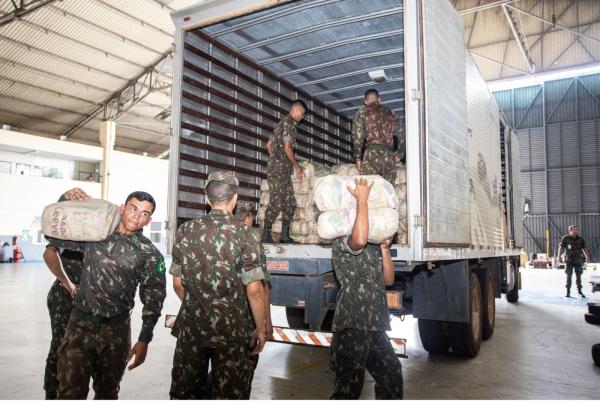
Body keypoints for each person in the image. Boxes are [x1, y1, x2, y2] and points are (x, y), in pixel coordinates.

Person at [44, 190, 167, 399]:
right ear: (122, 207)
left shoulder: (150, 254)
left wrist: (144, 340)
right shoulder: (95, 234)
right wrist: (65, 199)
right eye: (133, 208)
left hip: (116, 333)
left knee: (107, 394)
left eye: (144, 214)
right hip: (80, 327)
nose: (137, 216)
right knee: (69, 393)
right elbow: (56, 233)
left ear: (149, 220)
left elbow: (154, 298)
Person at [169, 171, 268, 400]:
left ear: (206, 199)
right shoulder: (247, 234)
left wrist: (198, 304)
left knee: (186, 393)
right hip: (232, 333)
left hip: (192, 328)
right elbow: (254, 290)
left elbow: (177, 283)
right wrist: (261, 328)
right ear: (234, 199)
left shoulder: (185, 231)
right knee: (228, 394)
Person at [329, 179, 402, 400]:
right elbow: (358, 239)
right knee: (348, 389)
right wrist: (361, 199)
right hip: (352, 325)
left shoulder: (372, 246)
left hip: (375, 326)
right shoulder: (342, 242)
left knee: (391, 374)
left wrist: (384, 249)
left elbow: (388, 280)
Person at [42, 188, 86, 400]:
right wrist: (67, 283)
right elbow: (49, 253)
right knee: (60, 347)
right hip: (64, 296)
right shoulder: (66, 232)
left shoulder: (92, 233)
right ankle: (52, 394)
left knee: (77, 352)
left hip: (84, 300)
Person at [235, 201, 274, 399]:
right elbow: (260, 287)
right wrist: (266, 322)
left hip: (222, 321)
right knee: (242, 375)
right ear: (250, 217)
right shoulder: (252, 241)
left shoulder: (221, 236)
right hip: (248, 319)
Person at [262, 100, 307, 243]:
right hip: (278, 170)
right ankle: (266, 235)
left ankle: (284, 236)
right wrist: (297, 166)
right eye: (302, 114)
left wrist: (275, 159)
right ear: (296, 110)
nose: (302, 117)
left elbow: (268, 145)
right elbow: (288, 148)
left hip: (281, 169)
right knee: (277, 201)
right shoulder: (288, 124)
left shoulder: (281, 124)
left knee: (290, 202)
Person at [352, 89, 405, 185]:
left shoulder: (362, 112)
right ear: (379, 99)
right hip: (388, 157)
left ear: (365, 101)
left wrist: (358, 158)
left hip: (371, 155)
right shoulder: (391, 113)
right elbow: (402, 134)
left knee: (369, 189)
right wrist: (400, 154)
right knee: (388, 190)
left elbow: (357, 136)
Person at [558, 225, 590, 298]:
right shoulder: (565, 238)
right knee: (568, 276)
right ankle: (568, 292)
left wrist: (587, 257)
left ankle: (579, 292)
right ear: (570, 231)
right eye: (573, 229)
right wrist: (559, 257)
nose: (575, 231)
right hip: (569, 261)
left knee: (579, 277)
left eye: (576, 229)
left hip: (578, 260)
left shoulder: (581, 239)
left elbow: (584, 249)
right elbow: (561, 248)